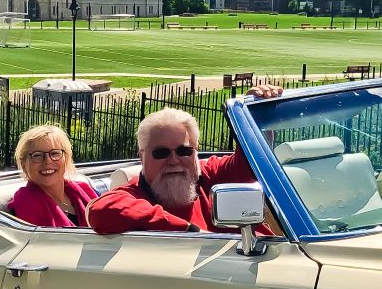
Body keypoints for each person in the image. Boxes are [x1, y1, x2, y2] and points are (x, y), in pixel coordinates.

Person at [87, 84, 283, 235]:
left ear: (195, 152)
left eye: (184, 151)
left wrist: (256, 112)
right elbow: (101, 210)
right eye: (161, 153)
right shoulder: (133, 194)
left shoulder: (208, 175)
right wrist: (190, 232)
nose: (174, 160)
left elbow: (251, 164)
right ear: (142, 156)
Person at [7, 125, 97, 227]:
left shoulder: (85, 191)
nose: (47, 161)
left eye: (54, 153)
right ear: (24, 164)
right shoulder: (23, 205)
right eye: (37, 155)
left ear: (66, 159)